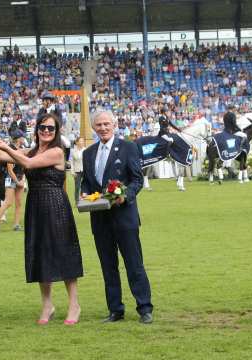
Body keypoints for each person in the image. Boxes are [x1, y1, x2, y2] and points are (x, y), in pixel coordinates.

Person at [0, 113, 83, 325]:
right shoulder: (31, 150)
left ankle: (74, 305)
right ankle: (47, 305)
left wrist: (6, 147)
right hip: (36, 206)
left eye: (51, 128)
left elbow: (29, 164)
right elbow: (0, 157)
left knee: (63, 253)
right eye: (43, 127)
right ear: (37, 128)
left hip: (56, 205)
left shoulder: (57, 152)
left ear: (56, 131)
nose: (46, 131)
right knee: (40, 253)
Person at [80, 110, 153, 324]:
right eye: (99, 125)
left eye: (106, 124)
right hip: (100, 218)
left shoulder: (129, 147)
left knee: (134, 263)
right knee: (108, 265)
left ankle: (145, 308)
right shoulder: (88, 153)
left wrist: (126, 196)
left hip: (124, 217)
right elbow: (87, 181)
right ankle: (115, 309)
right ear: (94, 128)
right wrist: (84, 193)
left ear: (114, 125)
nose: (103, 128)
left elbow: (137, 180)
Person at [0, 130, 26, 233]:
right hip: (11, 178)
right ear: (18, 138)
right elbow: (9, 170)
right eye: (22, 137)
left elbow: (24, 165)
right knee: (8, 202)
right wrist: (18, 182)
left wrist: (22, 179)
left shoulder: (22, 149)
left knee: (19, 203)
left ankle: (16, 225)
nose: (24, 138)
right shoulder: (10, 150)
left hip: (20, 177)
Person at [70, 136, 85, 202]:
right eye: (80, 141)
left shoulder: (86, 150)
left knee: (84, 186)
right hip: (77, 171)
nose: (82, 142)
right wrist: (72, 172)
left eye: (83, 141)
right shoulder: (73, 151)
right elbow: (71, 162)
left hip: (84, 171)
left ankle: (83, 200)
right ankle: (77, 200)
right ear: (77, 142)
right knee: (77, 187)